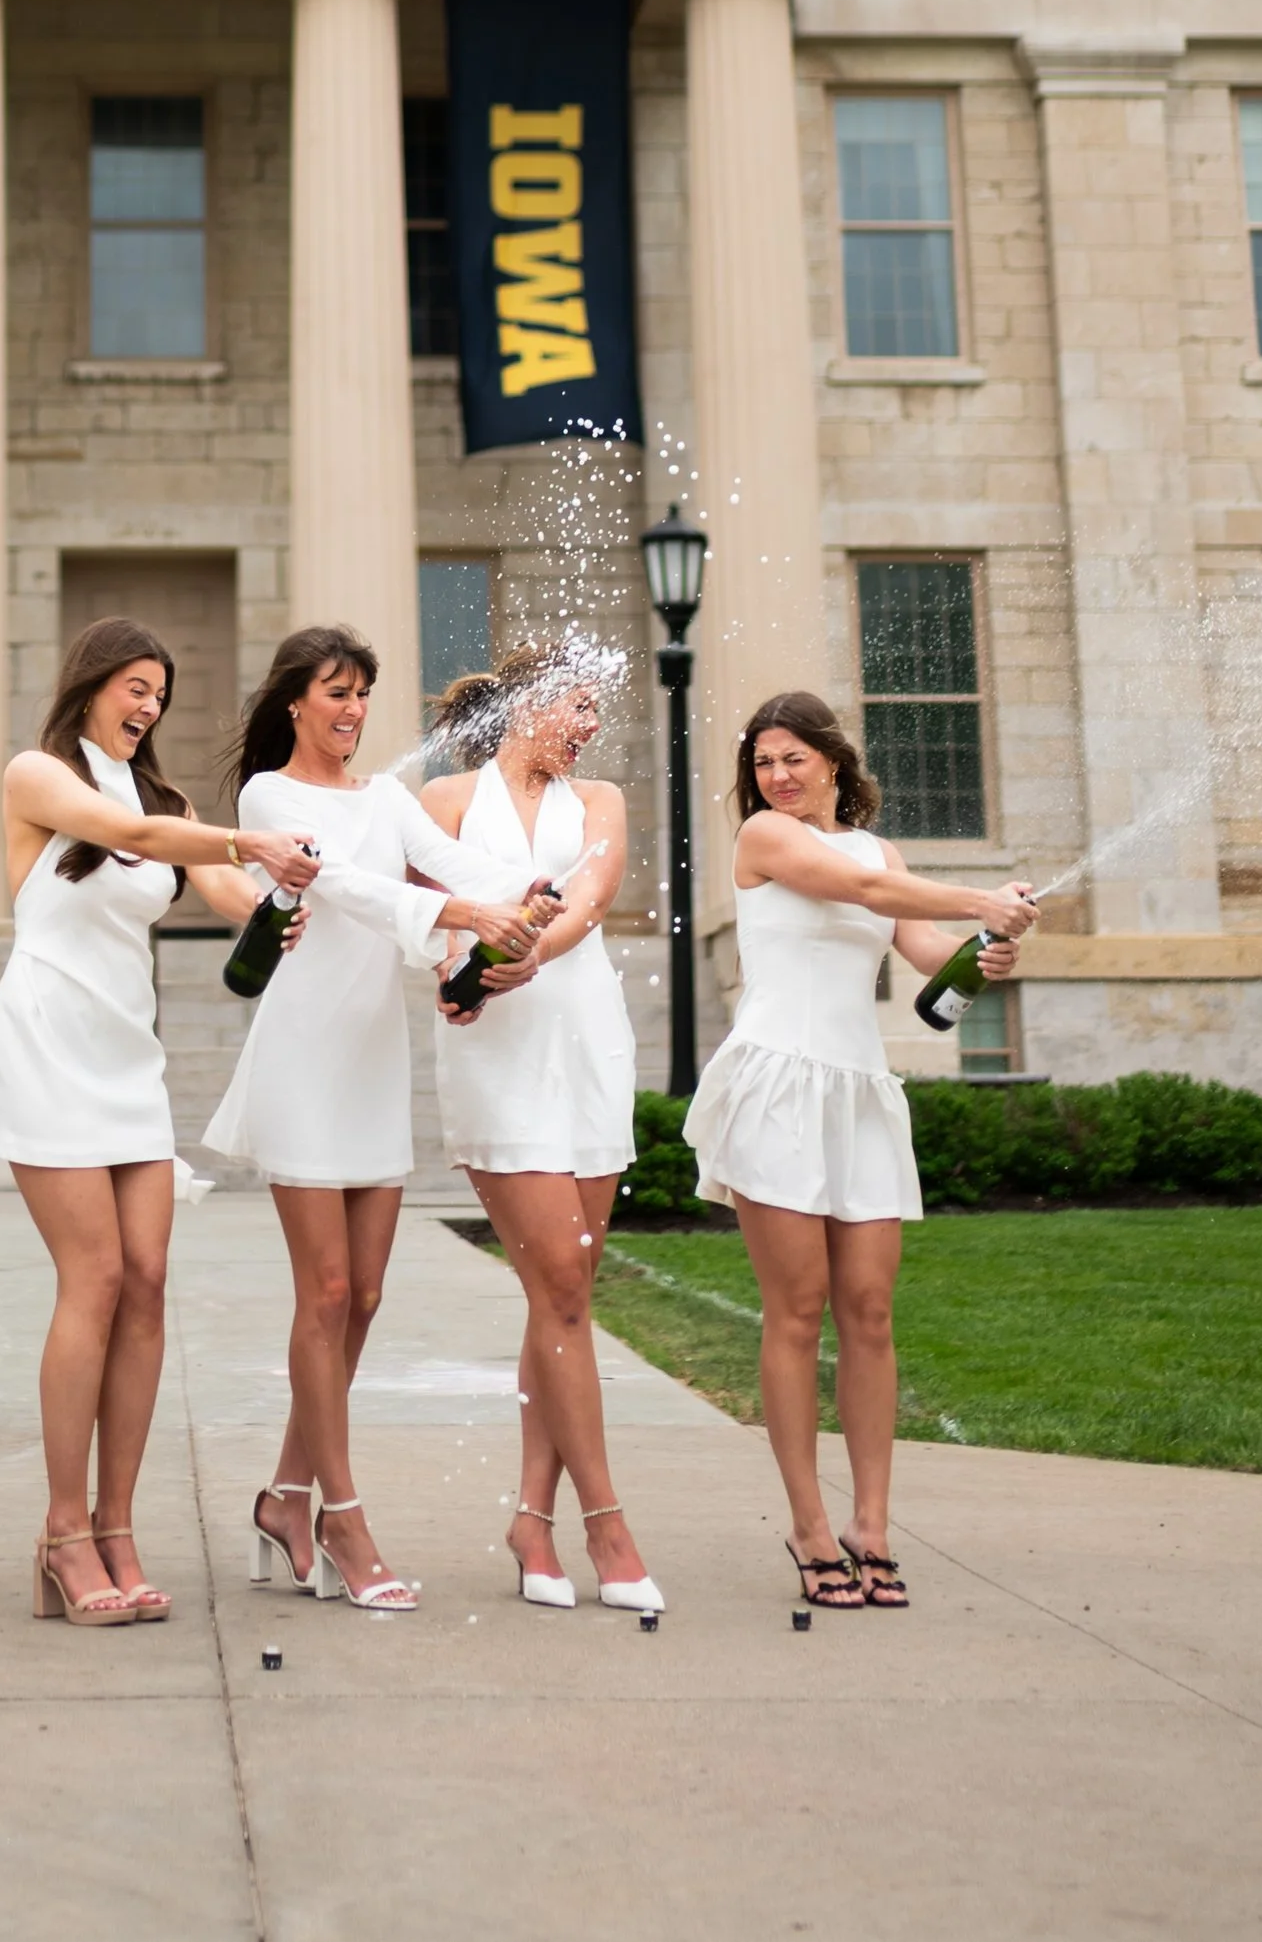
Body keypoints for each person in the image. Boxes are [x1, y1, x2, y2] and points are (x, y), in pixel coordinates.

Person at [0, 615, 321, 1626]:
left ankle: (118, 1524)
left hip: (128, 1053)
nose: (150, 705)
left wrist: (278, 896)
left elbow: (226, 889)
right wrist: (243, 836)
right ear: (90, 684)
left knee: (146, 1283)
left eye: (160, 692)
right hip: (45, 1040)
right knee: (90, 1277)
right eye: (135, 685)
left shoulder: (168, 802)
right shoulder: (37, 779)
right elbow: (132, 840)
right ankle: (60, 1533)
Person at [205, 622, 541, 1615]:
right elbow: (337, 886)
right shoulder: (269, 794)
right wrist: (450, 918)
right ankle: (340, 1517)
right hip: (303, 1052)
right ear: (295, 701)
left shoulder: (386, 797)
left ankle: (282, 1494)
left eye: (361, 694)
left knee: (367, 1295)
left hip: (371, 1057)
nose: (351, 711)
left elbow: (456, 866)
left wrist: (527, 897)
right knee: (327, 1290)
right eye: (335, 691)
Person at [683, 691, 1035, 1608]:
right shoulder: (766, 839)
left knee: (870, 1309)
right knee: (796, 1310)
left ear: (835, 762)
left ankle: (871, 1524)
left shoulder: (882, 849)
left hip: (858, 1090)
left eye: (794, 757)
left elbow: (918, 944)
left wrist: (985, 945)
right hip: (778, 1084)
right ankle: (807, 1525)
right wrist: (980, 894)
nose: (776, 775)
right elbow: (867, 895)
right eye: (762, 760)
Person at [421, 639, 662, 1616]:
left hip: (585, 1049)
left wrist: (531, 951)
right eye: (577, 705)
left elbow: (592, 900)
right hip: (495, 1061)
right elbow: (417, 906)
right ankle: (605, 1521)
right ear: (528, 702)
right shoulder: (441, 802)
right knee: (560, 1282)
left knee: (560, 1292)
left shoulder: (596, 802)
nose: (588, 724)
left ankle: (531, 1518)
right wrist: (458, 965)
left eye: (596, 710)